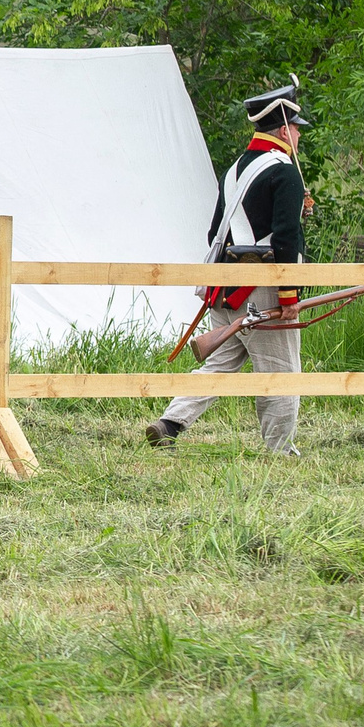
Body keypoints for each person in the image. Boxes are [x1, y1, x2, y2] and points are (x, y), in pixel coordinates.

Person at [147, 83, 312, 456]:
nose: (300, 134)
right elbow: (285, 240)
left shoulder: (237, 169)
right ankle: (280, 451)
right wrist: (289, 296)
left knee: (220, 363)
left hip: (224, 287)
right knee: (281, 372)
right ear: (284, 130)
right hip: (264, 288)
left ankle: (171, 423)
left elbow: (214, 233)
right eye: (297, 127)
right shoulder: (285, 172)